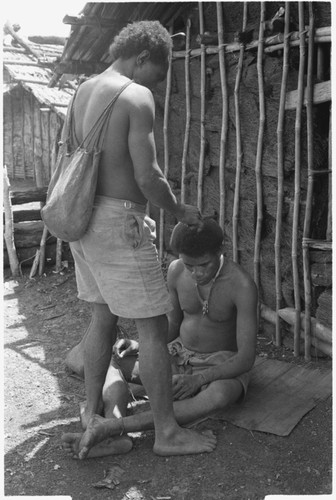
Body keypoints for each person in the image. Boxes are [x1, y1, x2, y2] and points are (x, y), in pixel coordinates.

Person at [64, 19, 215, 458]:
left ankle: (92, 419)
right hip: (118, 222)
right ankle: (167, 433)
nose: (159, 85)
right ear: (145, 57)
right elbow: (146, 175)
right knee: (151, 328)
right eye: (160, 74)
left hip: (81, 221)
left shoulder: (83, 90)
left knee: (102, 318)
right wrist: (179, 211)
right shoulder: (135, 95)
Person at [62, 219, 258, 459]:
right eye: (189, 265)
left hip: (217, 366)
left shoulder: (242, 285)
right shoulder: (176, 271)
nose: (196, 273)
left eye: (204, 264)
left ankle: (113, 427)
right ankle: (113, 423)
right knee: (106, 359)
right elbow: (172, 325)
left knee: (220, 395)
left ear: (220, 251)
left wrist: (200, 379)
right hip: (178, 357)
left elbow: (246, 358)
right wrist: (141, 346)